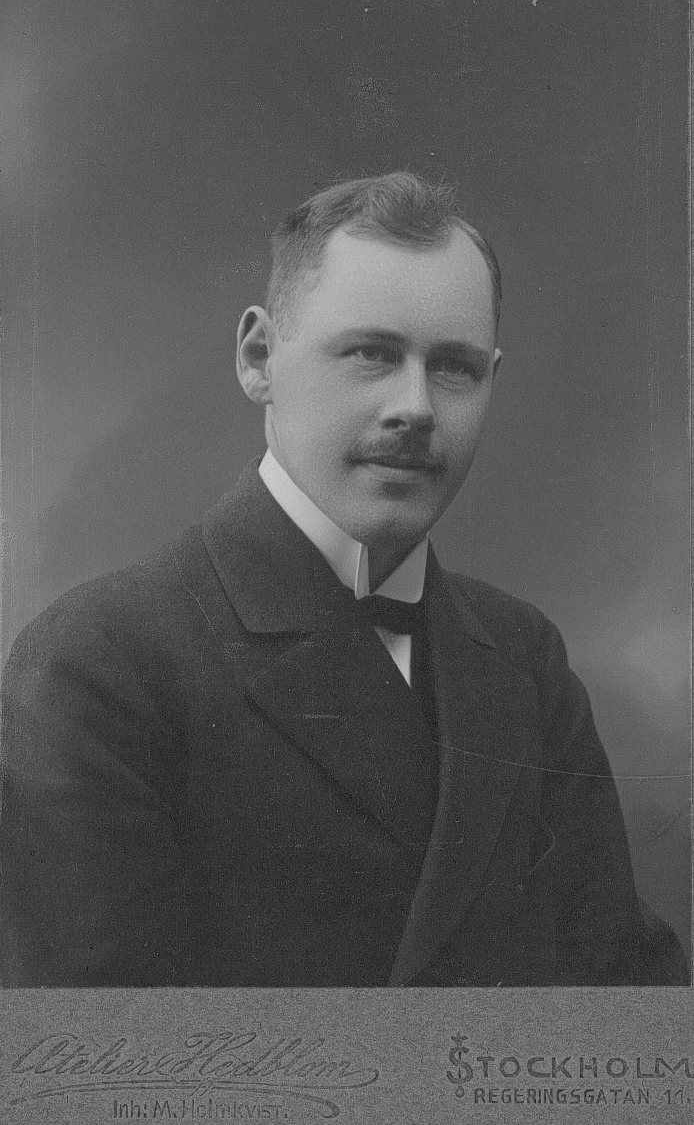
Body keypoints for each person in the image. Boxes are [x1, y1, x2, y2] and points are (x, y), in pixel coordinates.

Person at [0, 172, 687, 988]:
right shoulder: (99, 661)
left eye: (455, 368)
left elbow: (629, 1004)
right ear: (259, 358)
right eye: (372, 354)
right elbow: (103, 1052)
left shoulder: (522, 655)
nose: (416, 407)